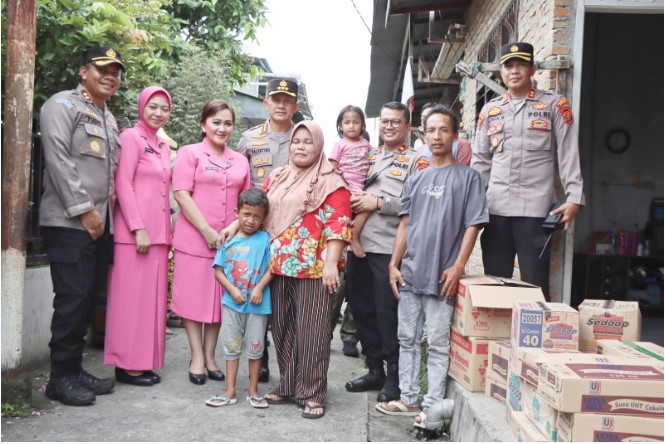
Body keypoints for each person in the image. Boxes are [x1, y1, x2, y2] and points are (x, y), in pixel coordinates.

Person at [376, 105, 488, 427]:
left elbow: (473, 225)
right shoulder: (416, 178)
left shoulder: (468, 178)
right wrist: (393, 265)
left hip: (443, 277)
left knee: (438, 345)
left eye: (443, 130)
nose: (437, 136)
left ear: (454, 135)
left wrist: (458, 266)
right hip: (410, 274)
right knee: (407, 339)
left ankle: (432, 405)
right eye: (431, 131)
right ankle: (409, 400)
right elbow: (405, 226)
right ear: (423, 136)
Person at [39, 46, 124, 406]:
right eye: (102, 69)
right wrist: (84, 209)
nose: (110, 76)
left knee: (88, 299)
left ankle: (74, 370)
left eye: (116, 71)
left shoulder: (108, 117)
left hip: (100, 225)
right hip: (69, 221)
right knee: (72, 300)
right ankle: (59, 378)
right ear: (83, 71)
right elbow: (58, 159)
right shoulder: (62, 105)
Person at [471, 42, 585, 300]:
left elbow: (568, 153)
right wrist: (472, 206)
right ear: (501, 73)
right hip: (495, 210)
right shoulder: (491, 110)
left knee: (534, 287)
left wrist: (574, 197)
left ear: (532, 69)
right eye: (508, 66)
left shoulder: (554, 105)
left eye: (520, 64)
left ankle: (532, 338)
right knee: (494, 286)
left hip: (535, 211)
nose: (514, 71)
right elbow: (480, 162)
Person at [260, 121, 352, 419]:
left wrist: (330, 264)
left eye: (307, 142)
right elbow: (260, 210)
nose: (300, 146)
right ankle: (287, 385)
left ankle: (312, 392)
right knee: (282, 328)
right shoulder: (277, 176)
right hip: (278, 265)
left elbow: (339, 224)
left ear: (319, 145)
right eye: (296, 141)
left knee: (312, 332)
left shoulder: (331, 181)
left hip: (315, 268)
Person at [344, 101, 429, 403]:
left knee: (386, 313)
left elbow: (419, 204)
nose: (389, 126)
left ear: (408, 126)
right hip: (358, 246)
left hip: (389, 249)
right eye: (385, 121)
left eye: (396, 122)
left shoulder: (417, 161)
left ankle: (394, 377)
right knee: (361, 309)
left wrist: (379, 204)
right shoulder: (367, 156)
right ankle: (374, 369)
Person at [171, 99, 252, 385]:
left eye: (227, 123)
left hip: (228, 241)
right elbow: (181, 193)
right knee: (193, 300)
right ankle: (195, 356)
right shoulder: (189, 153)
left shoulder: (240, 160)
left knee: (219, 302)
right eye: (216, 122)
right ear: (203, 124)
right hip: (194, 238)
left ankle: (210, 356)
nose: (222, 128)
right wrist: (205, 230)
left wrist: (232, 226)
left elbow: (246, 201)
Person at [103, 86, 173, 386]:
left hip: (157, 236)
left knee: (151, 305)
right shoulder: (130, 138)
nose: (158, 113)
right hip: (134, 236)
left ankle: (142, 361)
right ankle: (126, 363)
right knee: (129, 302)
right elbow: (123, 184)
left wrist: (165, 234)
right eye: (153, 107)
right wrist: (137, 227)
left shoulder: (162, 145)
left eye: (164, 108)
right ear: (141, 107)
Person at [237, 78, 301, 382]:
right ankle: (257, 357)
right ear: (266, 103)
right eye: (276, 99)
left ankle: (287, 361)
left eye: (287, 100)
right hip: (255, 232)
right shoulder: (249, 139)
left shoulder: (303, 140)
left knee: (286, 302)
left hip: (292, 232)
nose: (281, 105)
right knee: (256, 294)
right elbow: (238, 184)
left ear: (296, 106)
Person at [206, 189, 273, 409]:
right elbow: (218, 271)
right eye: (246, 214)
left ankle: (253, 389)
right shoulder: (228, 240)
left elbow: (272, 268)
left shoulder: (264, 239)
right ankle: (230, 390)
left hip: (258, 306)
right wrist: (232, 290)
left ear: (263, 218)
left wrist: (259, 288)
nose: (251, 220)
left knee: (256, 348)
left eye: (257, 216)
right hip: (231, 305)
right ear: (237, 213)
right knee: (231, 347)